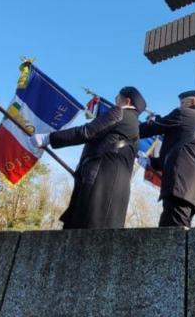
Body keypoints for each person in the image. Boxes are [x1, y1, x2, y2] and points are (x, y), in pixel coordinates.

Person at [30, 86, 146, 229]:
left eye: (117, 98)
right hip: (116, 192)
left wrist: (49, 138)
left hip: (99, 180)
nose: (115, 102)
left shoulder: (119, 112)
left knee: (82, 228)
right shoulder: (135, 127)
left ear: (127, 101)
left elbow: (87, 131)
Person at [139, 90, 195, 228]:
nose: (180, 107)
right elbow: (182, 151)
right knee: (177, 228)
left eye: (182, 103)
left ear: (191, 102)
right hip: (192, 188)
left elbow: (153, 128)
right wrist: (152, 162)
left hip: (179, 185)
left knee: (172, 235)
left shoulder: (183, 113)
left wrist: (130, 128)